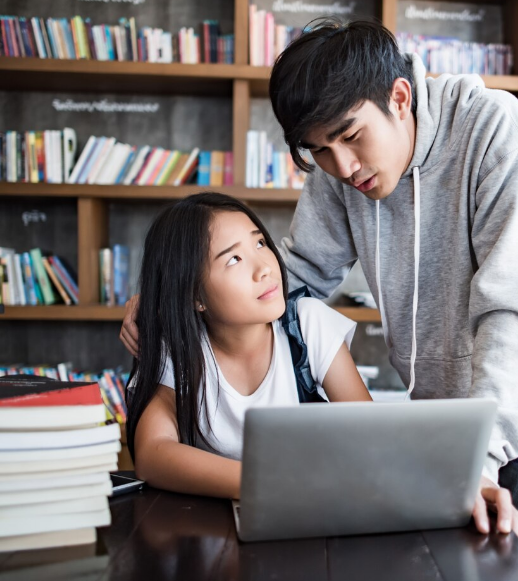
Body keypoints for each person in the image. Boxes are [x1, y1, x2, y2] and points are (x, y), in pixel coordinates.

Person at [122, 19, 518, 563]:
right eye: (318, 150)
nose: (342, 167)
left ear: (399, 97)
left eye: (350, 137)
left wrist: (478, 462)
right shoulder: (337, 166)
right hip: (436, 411)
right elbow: (295, 275)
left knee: (506, 568)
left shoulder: (492, 129)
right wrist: (170, 299)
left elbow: (514, 310)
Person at [126, 193, 372, 499]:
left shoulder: (308, 324)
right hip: (216, 524)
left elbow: (371, 441)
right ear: (194, 296)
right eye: (233, 259)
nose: (264, 268)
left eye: (260, 244)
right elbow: (152, 455)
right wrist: (271, 485)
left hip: (310, 512)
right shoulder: (177, 347)